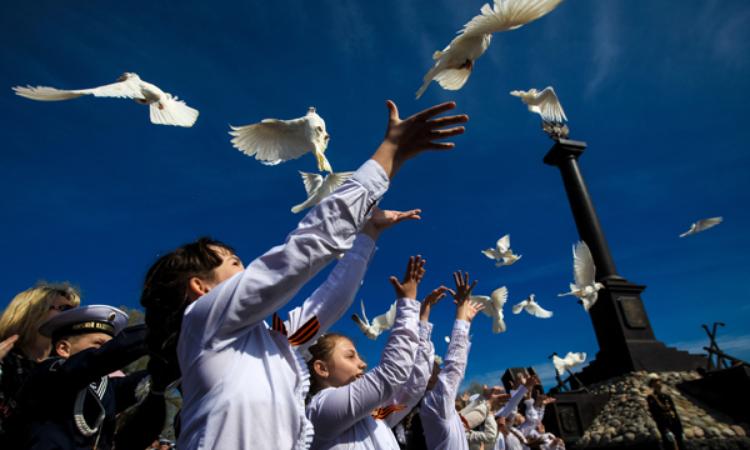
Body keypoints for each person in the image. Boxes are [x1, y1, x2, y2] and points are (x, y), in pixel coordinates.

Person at [139, 100, 469, 450]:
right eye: (234, 263)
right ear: (199, 287)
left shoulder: (276, 340)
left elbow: (330, 300)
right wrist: (387, 154)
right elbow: (303, 251)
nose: (247, 268)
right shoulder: (203, 321)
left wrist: (368, 234)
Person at [306, 255, 437, 449]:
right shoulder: (321, 409)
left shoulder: (375, 413)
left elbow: (413, 387)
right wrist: (407, 304)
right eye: (350, 356)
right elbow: (392, 373)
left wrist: (423, 325)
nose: (363, 364)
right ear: (322, 368)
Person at [9, 305, 164, 449]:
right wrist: (157, 332)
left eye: (110, 344)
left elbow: (148, 379)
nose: (106, 349)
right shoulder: (48, 373)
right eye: (99, 344)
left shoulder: (106, 387)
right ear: (63, 348)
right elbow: (94, 361)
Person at [0, 282, 80, 442]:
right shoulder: (6, 360)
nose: (74, 317)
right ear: (32, 312)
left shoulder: (68, 368)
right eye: (65, 309)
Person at [420, 271, 485, 450]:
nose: (439, 369)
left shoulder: (437, 405)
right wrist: (461, 313)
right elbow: (455, 366)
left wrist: (424, 316)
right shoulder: (434, 403)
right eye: (433, 368)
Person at [646, 375, 685, 450]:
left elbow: (674, 412)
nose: (659, 383)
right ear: (652, 384)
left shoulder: (667, 396)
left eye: (659, 381)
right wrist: (665, 429)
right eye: (656, 381)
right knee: (670, 446)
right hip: (666, 426)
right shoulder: (651, 398)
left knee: (681, 445)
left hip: (675, 424)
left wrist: (679, 427)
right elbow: (656, 415)